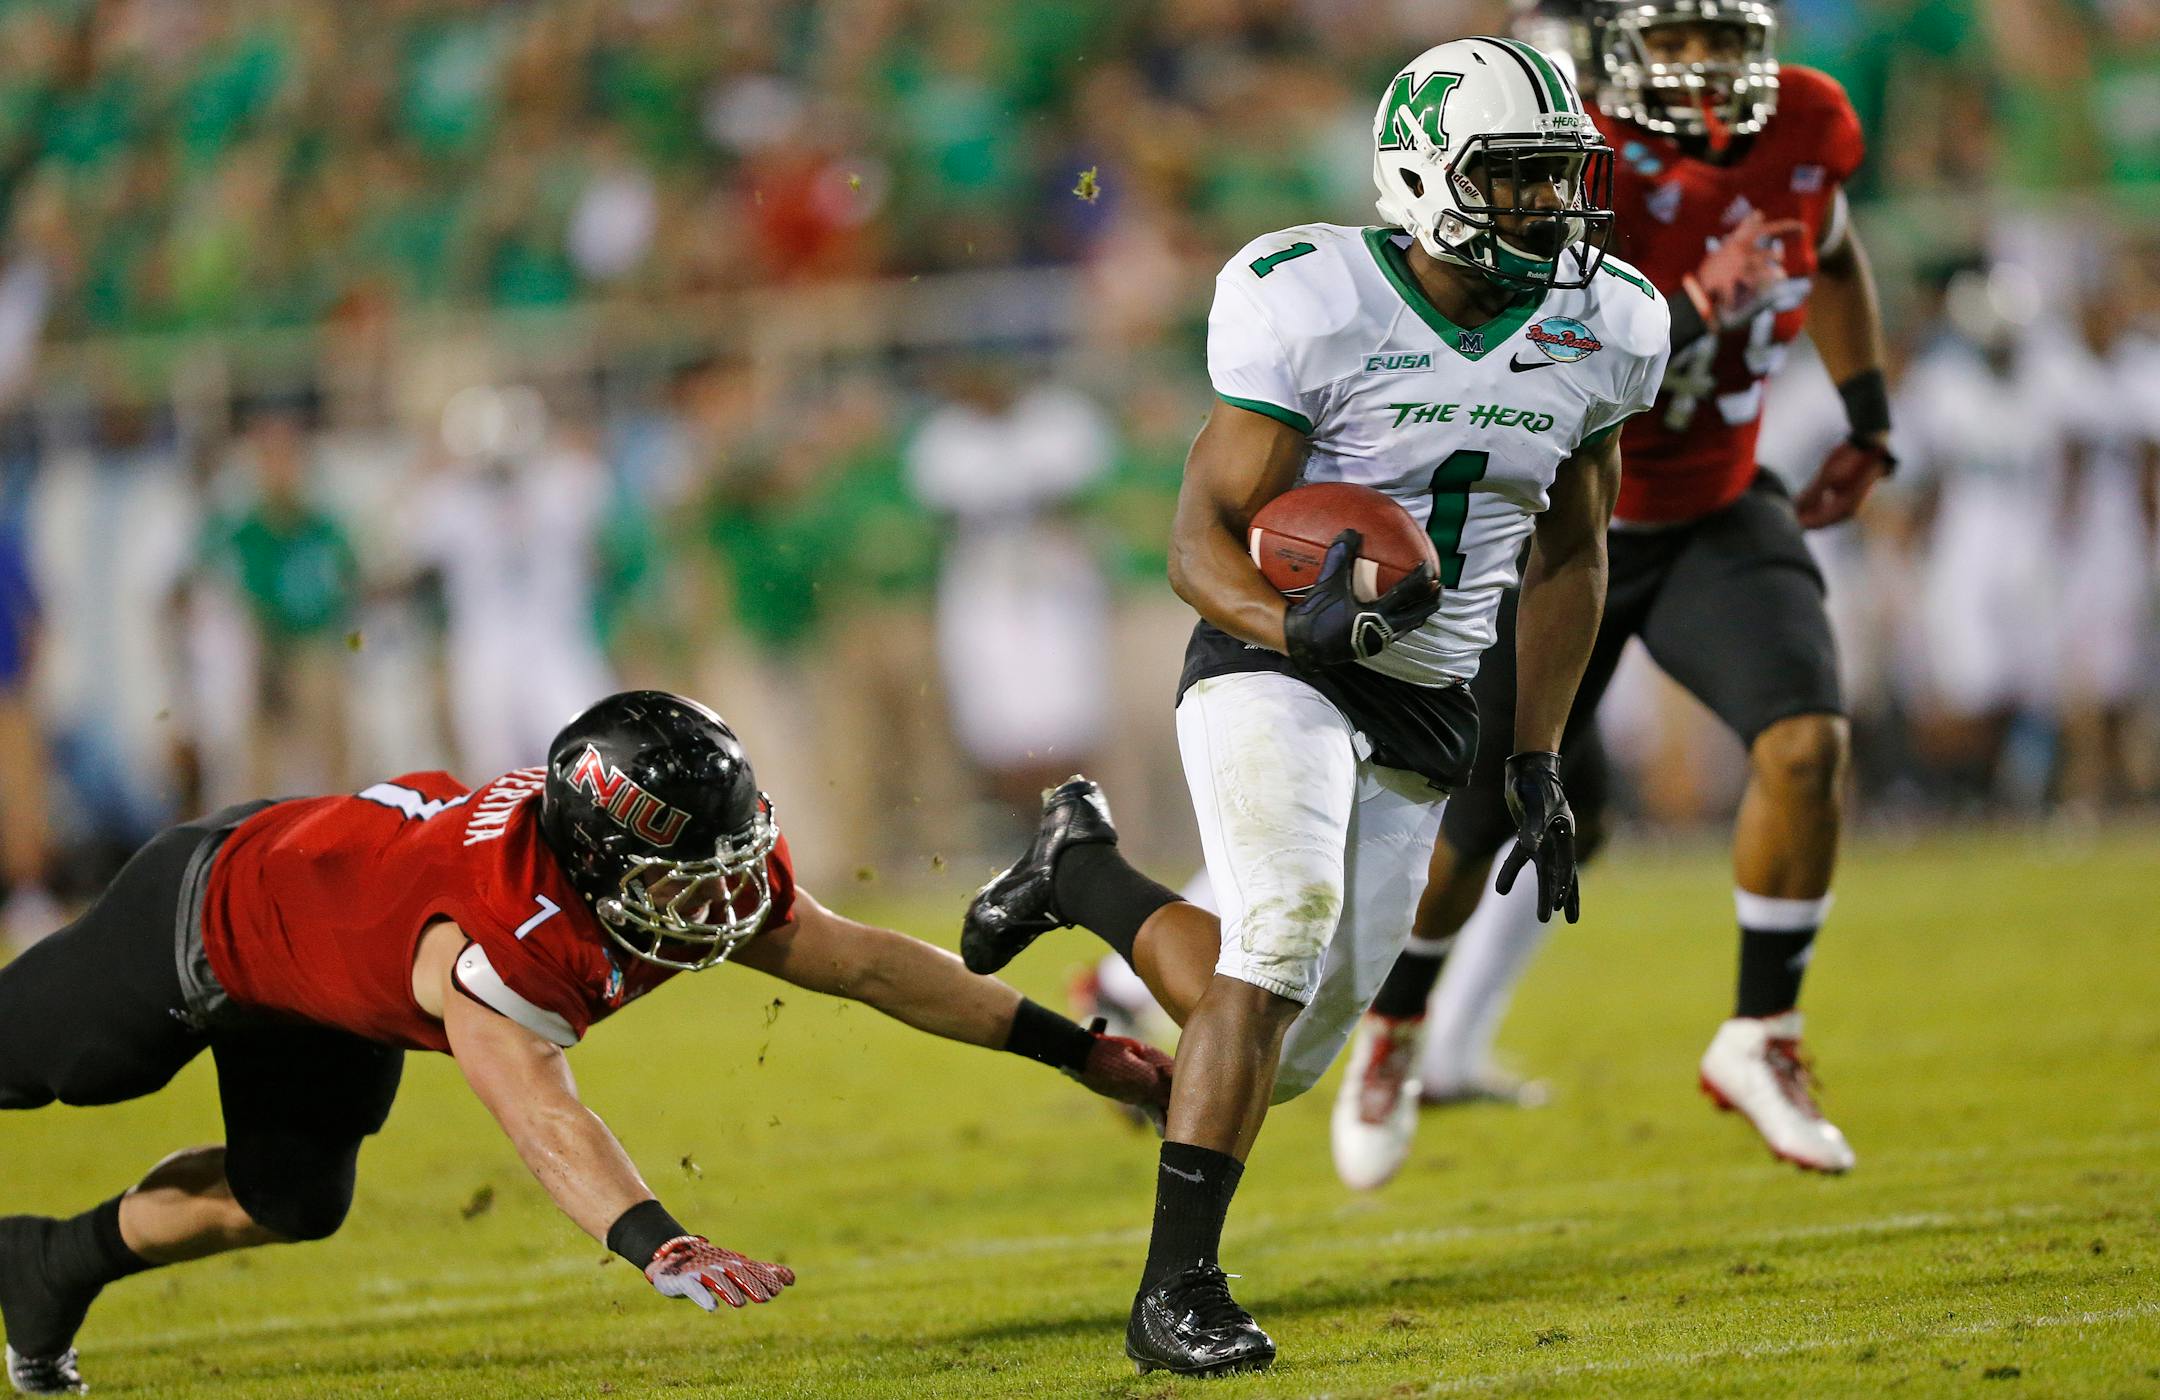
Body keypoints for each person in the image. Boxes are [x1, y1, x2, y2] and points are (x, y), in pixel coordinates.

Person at [962, 38, 1669, 1376]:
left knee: (1280, 1054)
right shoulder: (1315, 297)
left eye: (1557, 180)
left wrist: (1535, 753)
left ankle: (1084, 869)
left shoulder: (1608, 322)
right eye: (1518, 182)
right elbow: (1196, 540)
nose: (1552, 211)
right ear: (1425, 177)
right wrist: (1299, 621)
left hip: (1433, 699)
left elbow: (1575, 549)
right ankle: (1177, 1293)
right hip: (1278, 662)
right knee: (1277, 931)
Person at [0, 691, 1171, 1396]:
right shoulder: (502, 922)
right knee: (57, 1065)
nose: (719, 900)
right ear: (602, 859)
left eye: (725, 860)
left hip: (325, 981)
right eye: (683, 873)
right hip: (209, 916)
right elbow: (539, 1110)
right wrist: (660, 1241)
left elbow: (866, 963)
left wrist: (1079, 1052)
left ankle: (47, 1262)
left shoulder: (666, 874)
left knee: (292, 1199)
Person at [1333, 0, 1896, 1190]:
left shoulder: (1808, 120)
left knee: (1806, 744)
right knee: (1470, 823)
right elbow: (1538, 340)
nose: (1705, 67)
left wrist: (1867, 409)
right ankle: (1394, 1031)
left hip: (1716, 505)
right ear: (1626, 46)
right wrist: (1698, 302)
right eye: (1677, 40)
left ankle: (1761, 1035)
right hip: (1563, 533)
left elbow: (1834, 247)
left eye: (1722, 38)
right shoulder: (1560, 161)